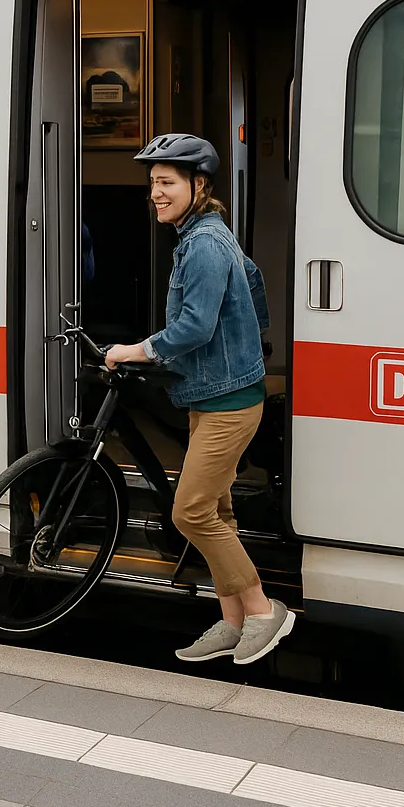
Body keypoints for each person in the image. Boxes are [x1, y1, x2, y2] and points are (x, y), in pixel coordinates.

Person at [104, 133, 295, 666]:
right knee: (216, 509)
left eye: (166, 183)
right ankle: (233, 620)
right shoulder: (207, 236)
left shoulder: (205, 245)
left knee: (190, 511)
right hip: (216, 393)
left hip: (229, 402)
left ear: (198, 184)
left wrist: (139, 350)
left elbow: (193, 325)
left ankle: (261, 610)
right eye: (153, 185)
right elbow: (254, 294)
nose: (156, 194)